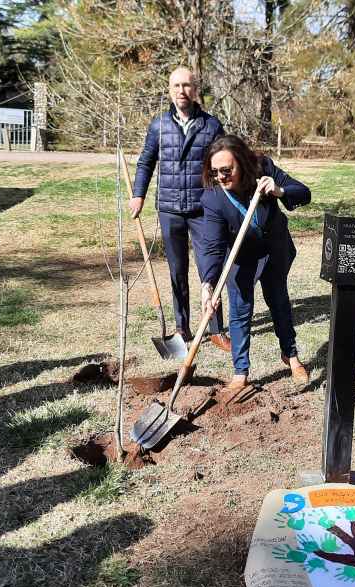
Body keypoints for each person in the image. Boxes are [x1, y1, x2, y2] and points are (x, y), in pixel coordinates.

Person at [197, 135, 311, 389]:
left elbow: (304, 193)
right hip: (241, 257)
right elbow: (214, 246)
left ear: (243, 163)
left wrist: (279, 191)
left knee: (279, 303)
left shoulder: (264, 169)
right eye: (214, 171)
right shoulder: (213, 197)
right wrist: (207, 286)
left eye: (227, 170)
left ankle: (290, 355)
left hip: (273, 250)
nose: (220, 177)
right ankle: (240, 371)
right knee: (240, 312)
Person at [131, 67, 231, 351]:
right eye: (176, 85)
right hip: (169, 208)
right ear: (170, 90)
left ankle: (216, 329)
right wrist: (139, 194)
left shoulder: (212, 125)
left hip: (204, 208)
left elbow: (223, 164)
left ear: (195, 88)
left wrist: (227, 197)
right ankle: (182, 327)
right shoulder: (158, 125)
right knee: (177, 270)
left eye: (186, 85)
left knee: (210, 266)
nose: (181, 91)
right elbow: (146, 162)